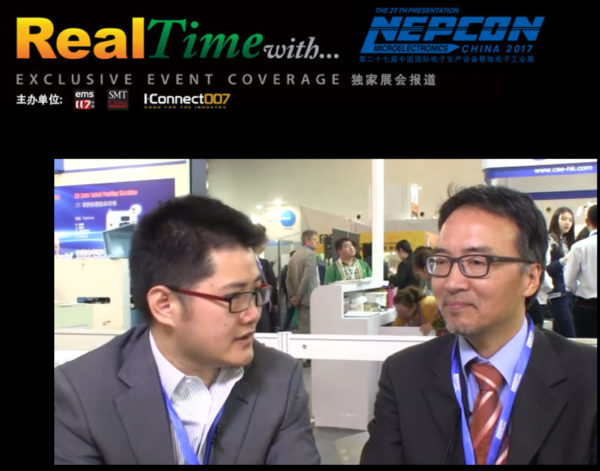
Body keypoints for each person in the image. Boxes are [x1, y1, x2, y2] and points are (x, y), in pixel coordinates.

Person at [55, 195, 320, 465]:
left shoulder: (279, 377)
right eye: (234, 297)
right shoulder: (81, 394)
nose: (253, 313)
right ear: (165, 305)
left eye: (256, 292)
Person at [360, 185, 597, 465]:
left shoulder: (588, 378)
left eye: (476, 261)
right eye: (442, 261)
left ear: (531, 278)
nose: (452, 283)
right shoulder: (404, 375)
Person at [565, 204, 597, 338]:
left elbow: (569, 281)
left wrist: (577, 290)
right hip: (586, 305)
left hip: (586, 307)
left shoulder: (579, 247)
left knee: (586, 346)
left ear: (587, 222)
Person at [545, 207, 576, 337]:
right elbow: (546, 269)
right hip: (557, 295)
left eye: (570, 220)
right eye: (563, 219)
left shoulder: (567, 242)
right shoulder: (548, 241)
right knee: (570, 335)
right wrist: (564, 260)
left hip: (569, 293)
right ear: (555, 220)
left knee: (561, 337)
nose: (567, 223)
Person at [286, 229, 321, 334]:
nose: (317, 242)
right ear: (307, 241)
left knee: (303, 325)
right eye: (314, 239)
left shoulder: (295, 255)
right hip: (309, 297)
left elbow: (288, 278)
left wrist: (292, 296)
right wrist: (298, 296)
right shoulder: (311, 255)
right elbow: (307, 278)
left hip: (299, 298)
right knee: (308, 329)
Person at [253, 224, 280, 333]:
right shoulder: (250, 263)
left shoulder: (262, 263)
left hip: (265, 307)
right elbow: (271, 285)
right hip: (258, 308)